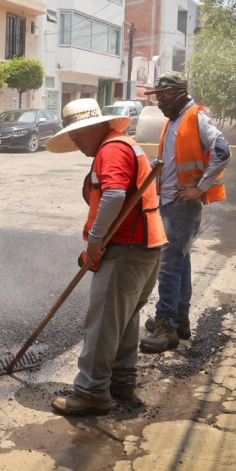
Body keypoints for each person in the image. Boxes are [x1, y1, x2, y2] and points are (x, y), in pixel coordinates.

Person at [45, 99, 166, 415]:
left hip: (126, 249)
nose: (74, 141)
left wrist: (96, 242)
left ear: (94, 127)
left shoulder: (111, 150)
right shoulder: (125, 145)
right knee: (123, 321)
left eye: (76, 134)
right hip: (146, 247)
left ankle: (91, 392)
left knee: (101, 325)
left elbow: (113, 195)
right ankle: (120, 381)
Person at [140, 72, 230, 353]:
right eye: (157, 97)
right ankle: (179, 320)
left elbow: (223, 152)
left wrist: (199, 188)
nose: (159, 103)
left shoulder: (196, 116)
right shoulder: (175, 120)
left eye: (164, 97)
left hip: (182, 205)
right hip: (170, 202)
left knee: (168, 265)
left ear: (179, 93)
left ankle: (165, 325)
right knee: (181, 261)